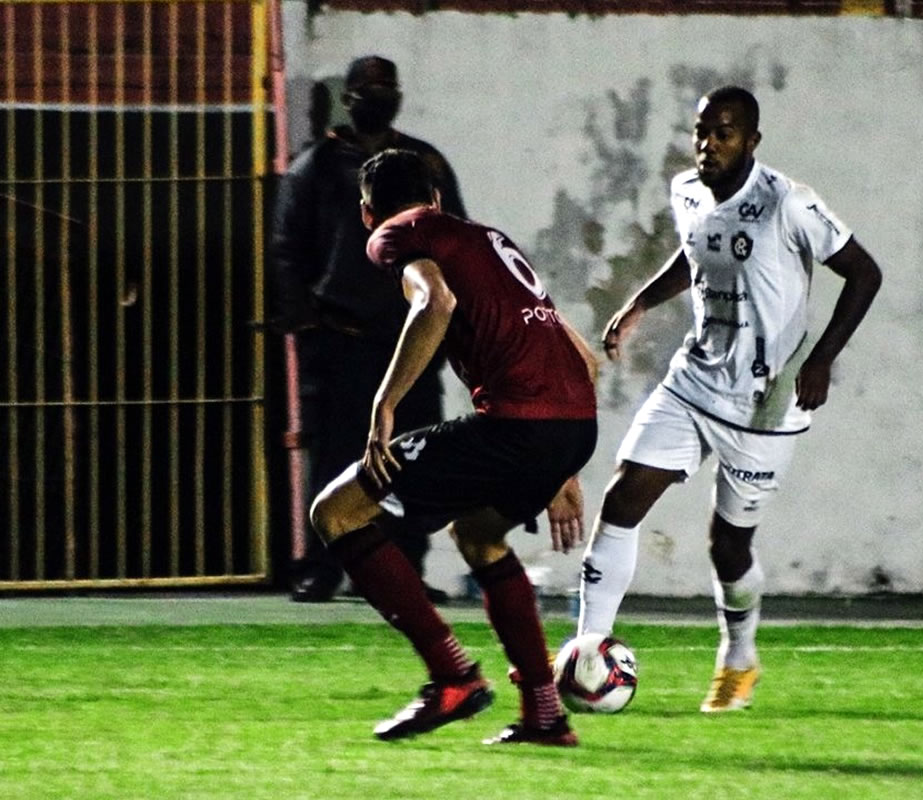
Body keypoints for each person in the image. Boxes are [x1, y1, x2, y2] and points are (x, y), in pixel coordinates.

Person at [576, 86, 882, 712]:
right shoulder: (687, 190)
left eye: (724, 133)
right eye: (702, 132)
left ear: (751, 140)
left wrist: (821, 358)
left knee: (728, 545)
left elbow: (864, 272)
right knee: (623, 497)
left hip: (763, 405)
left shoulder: (788, 202)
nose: (709, 144)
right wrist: (638, 304)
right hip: (694, 381)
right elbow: (696, 252)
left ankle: (739, 657)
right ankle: (586, 654)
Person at [308, 148, 598, 746]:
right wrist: (561, 467)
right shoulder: (487, 239)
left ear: (367, 213)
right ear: (437, 198)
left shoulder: (396, 234)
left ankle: (453, 677)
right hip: (573, 423)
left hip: (518, 426)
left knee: (336, 512)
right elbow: (584, 358)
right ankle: (544, 713)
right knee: (479, 534)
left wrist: (385, 403)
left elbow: (435, 302)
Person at [271, 55, 467, 602]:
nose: (379, 96)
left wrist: (448, 331)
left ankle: (404, 568)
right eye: (369, 88)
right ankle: (324, 567)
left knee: (413, 456)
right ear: (348, 99)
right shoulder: (317, 166)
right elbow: (287, 248)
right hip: (342, 339)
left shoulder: (423, 163)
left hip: (410, 338)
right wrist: (308, 320)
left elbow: (456, 241)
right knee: (336, 458)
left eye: (387, 87)